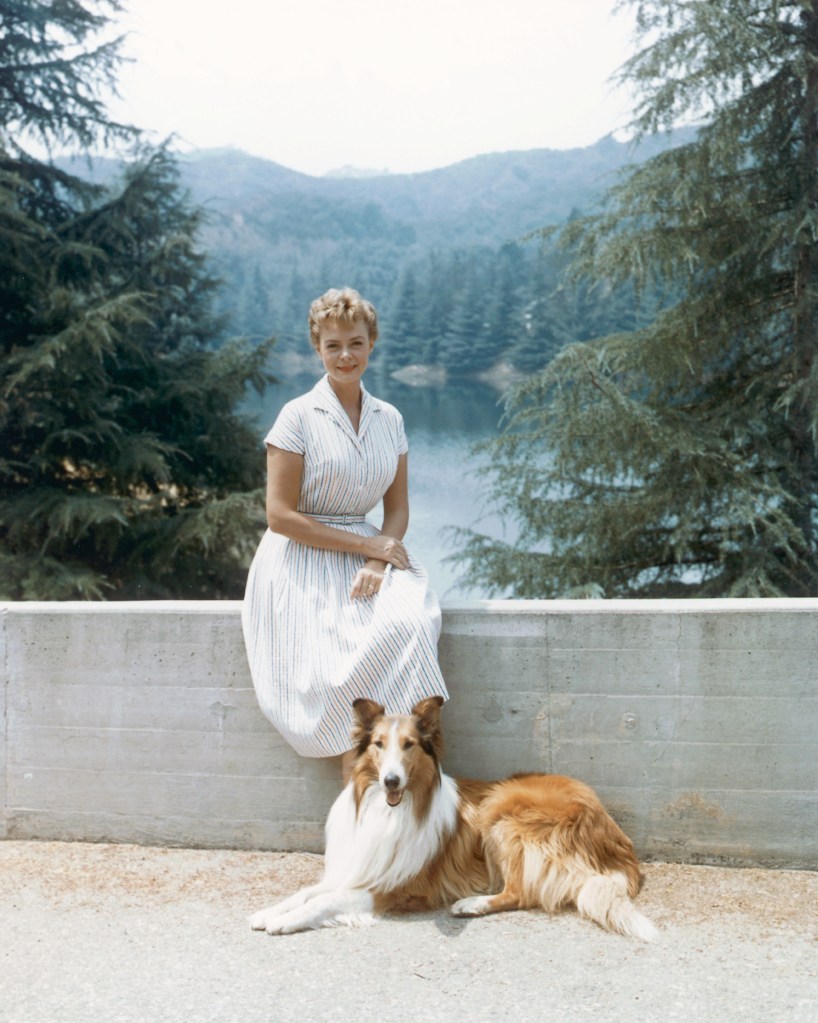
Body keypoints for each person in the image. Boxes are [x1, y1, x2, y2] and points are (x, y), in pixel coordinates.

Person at [241, 287, 449, 779]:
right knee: (339, 663)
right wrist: (364, 546)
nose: (345, 356)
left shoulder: (390, 418)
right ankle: (360, 797)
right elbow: (279, 515)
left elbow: (397, 511)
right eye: (333, 346)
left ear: (371, 345)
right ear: (318, 348)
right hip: (301, 554)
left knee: (412, 626)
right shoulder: (297, 416)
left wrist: (377, 560)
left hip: (369, 552)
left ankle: (407, 786)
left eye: (355, 343)